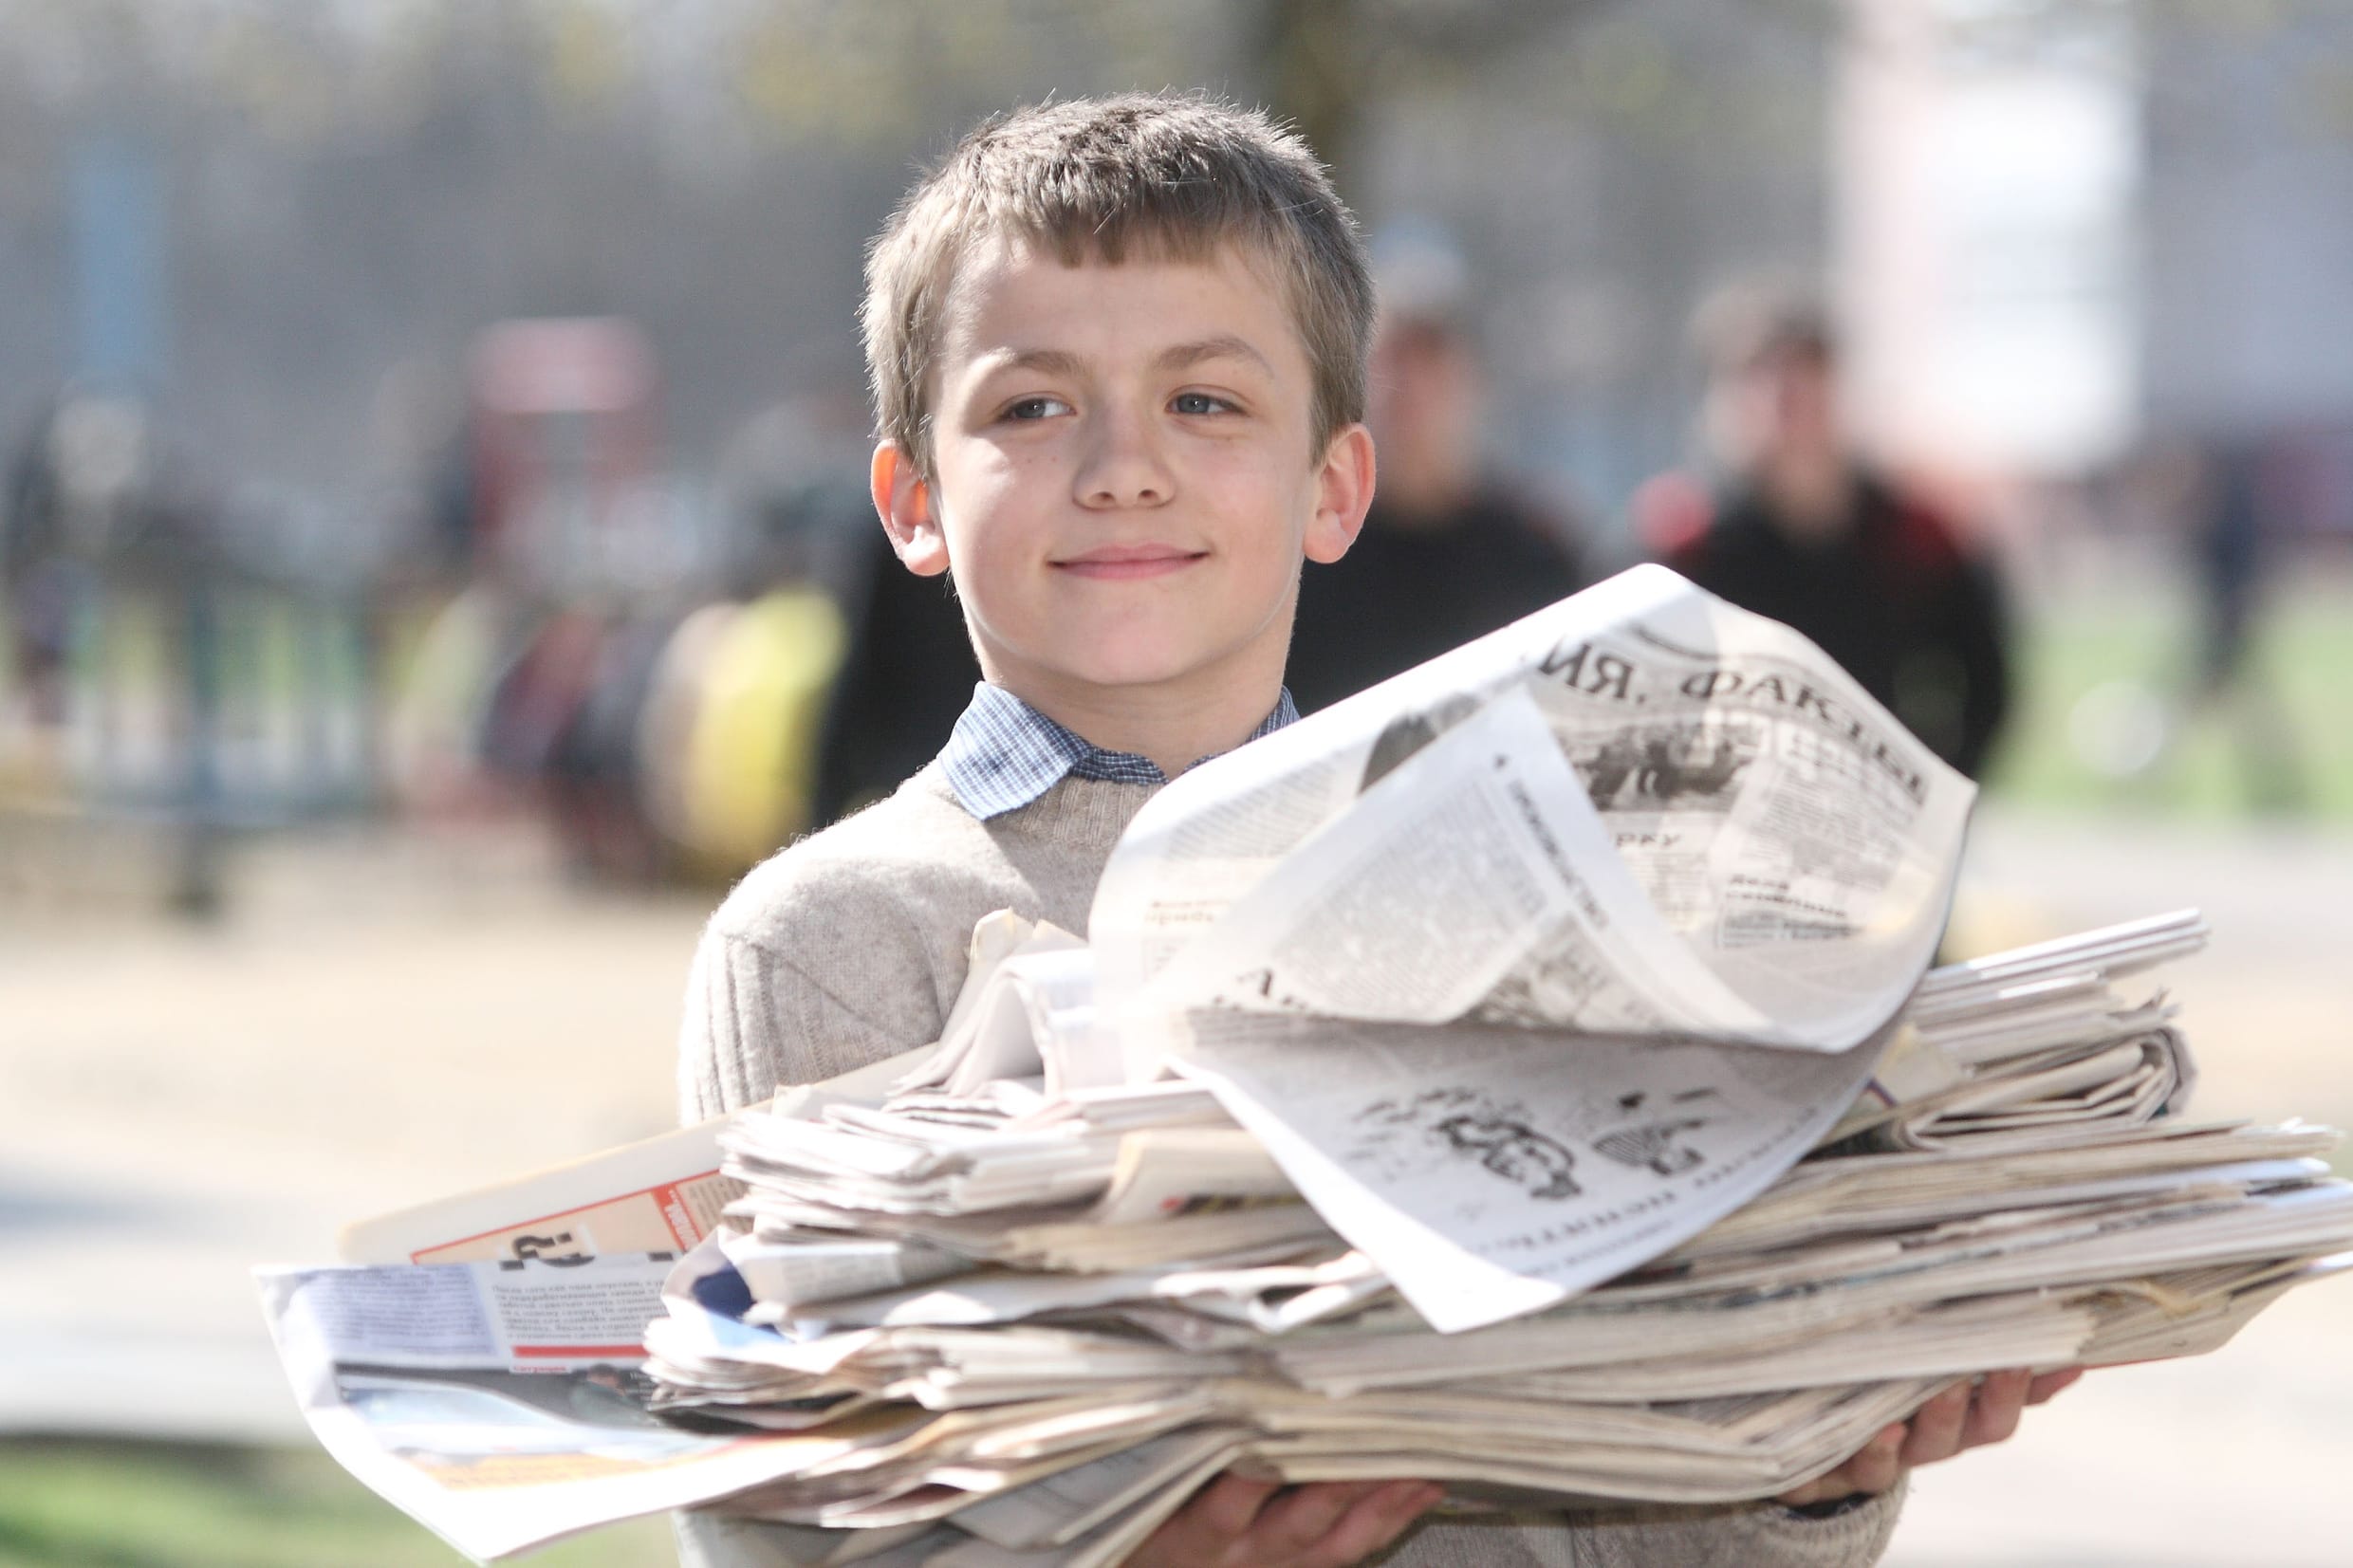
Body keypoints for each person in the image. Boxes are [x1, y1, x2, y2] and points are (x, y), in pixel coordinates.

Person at [676, 96, 2066, 1568]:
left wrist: (1808, 1473)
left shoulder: (1526, 909)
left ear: (1335, 486)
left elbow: (1632, 1528)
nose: (1122, 466)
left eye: (1205, 401)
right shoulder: (822, 945)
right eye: (1031, 406)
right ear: (913, 500)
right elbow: (775, 1530)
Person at [1638, 289, 2012, 780]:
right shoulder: (1683, 539)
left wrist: (1935, 787)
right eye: (1760, 383)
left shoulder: (1912, 536)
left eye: (1805, 382)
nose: (1785, 407)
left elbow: (1985, 682)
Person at [1284, 230, 1588, 714]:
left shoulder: (1534, 550)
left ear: (1473, 378)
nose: (1411, 386)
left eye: (1432, 359)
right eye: (1393, 359)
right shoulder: (1310, 544)